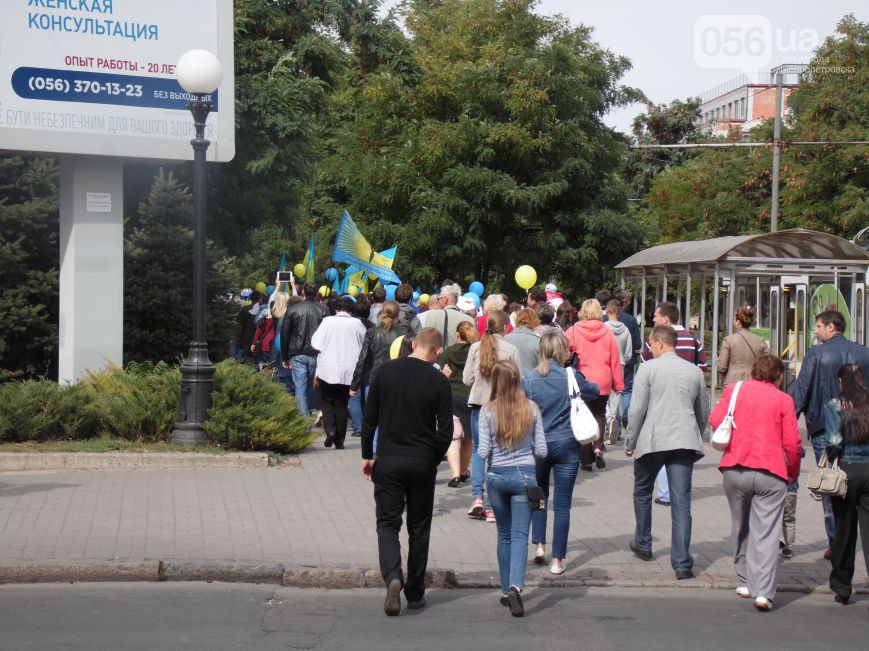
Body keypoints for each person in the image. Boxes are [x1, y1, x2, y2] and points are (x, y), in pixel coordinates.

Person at [361, 328, 453, 616]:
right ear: (437, 351)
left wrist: (368, 455)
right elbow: (446, 431)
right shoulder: (439, 380)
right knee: (419, 527)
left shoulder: (385, 373)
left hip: (388, 459)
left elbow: (369, 419)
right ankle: (414, 591)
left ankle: (393, 577)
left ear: (414, 344)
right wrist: (433, 458)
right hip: (422, 461)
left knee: (387, 524)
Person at [710, 354, 802, 612]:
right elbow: (793, 443)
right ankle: (763, 592)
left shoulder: (734, 390)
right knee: (767, 533)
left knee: (741, 525)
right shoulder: (784, 399)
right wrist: (792, 472)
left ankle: (744, 581)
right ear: (779, 376)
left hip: (735, 467)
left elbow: (716, 420)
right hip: (771, 472)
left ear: (754, 371)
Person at [625, 325, 709, 580]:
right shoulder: (694, 371)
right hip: (684, 441)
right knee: (681, 502)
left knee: (642, 490)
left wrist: (630, 439)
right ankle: (682, 563)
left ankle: (643, 542)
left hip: (653, 439)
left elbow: (637, 409)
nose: (649, 349)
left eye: (651, 344)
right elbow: (703, 410)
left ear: (660, 343)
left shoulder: (648, 369)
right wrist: (696, 431)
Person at [789, 309, 869, 558]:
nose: (815, 331)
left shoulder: (816, 354)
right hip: (861, 425)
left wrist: (788, 422)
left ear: (831, 327)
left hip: (825, 426)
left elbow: (801, 392)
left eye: (818, 326)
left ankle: (837, 544)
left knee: (831, 484)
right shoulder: (864, 352)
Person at [523, 332, 599, 574]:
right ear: (562, 352)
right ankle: (558, 560)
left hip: (538, 445)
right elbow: (594, 391)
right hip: (567, 443)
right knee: (563, 504)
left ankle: (539, 546)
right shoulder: (570, 376)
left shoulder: (529, 379)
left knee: (539, 497)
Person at [477, 360, 547, 617]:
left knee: (503, 535)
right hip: (525, 478)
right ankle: (516, 586)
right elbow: (542, 450)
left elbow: (483, 451)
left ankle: (505, 588)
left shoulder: (487, 411)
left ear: (494, 382)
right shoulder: (532, 408)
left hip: (496, 478)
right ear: (518, 380)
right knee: (520, 537)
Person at [641, 301, 708, 506]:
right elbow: (702, 368)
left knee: (661, 445)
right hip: (687, 400)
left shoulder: (654, 339)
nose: (653, 319)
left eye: (656, 315)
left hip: (660, 400)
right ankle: (678, 490)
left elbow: (645, 366)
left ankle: (665, 492)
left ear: (666, 319)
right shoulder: (694, 339)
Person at [464, 310, 520, 522]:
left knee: (479, 451)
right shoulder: (511, 349)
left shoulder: (476, 347)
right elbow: (518, 380)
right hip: (502, 407)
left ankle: (477, 497)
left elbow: (467, 379)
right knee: (497, 454)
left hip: (479, 405)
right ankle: (491, 506)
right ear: (505, 327)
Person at [825, 363, 869, 605]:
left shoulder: (836, 405)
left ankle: (842, 586)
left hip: (847, 471)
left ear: (841, 382)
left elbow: (833, 441)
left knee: (844, 529)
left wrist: (831, 456)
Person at [565, 299, 624, 470]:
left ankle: (585, 460)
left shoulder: (573, 330)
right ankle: (598, 447)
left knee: (583, 416)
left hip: (582, 380)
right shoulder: (607, 332)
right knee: (599, 415)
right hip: (603, 380)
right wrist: (618, 384)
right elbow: (615, 361)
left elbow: (563, 351)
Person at [310, 296, 367, 449]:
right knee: (342, 403)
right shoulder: (357, 324)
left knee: (327, 401)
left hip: (327, 368)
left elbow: (315, 342)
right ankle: (340, 440)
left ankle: (330, 431)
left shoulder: (327, 322)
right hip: (349, 369)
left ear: (336, 309)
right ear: (352, 310)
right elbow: (364, 344)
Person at [438, 321, 479, 487]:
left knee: (454, 437)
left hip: (452, 395)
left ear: (457, 334)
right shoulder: (476, 351)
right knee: (468, 438)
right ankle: (463, 471)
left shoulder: (448, 351)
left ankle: (454, 475)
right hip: (470, 396)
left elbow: (441, 371)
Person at [280, 283, 329, 420]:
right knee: (311, 387)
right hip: (316, 353)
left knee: (300, 388)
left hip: (299, 352)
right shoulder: (323, 309)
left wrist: (285, 357)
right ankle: (305, 417)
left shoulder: (293, 310)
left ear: (303, 292)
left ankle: (304, 419)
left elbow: (285, 335)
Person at [717, 305, 770, 386]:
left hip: (732, 383)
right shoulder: (760, 341)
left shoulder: (728, 340)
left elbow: (721, 367)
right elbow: (768, 363)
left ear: (738, 322)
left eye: (733, 319)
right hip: (754, 383)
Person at [348, 295, 376, 437]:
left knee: (354, 397)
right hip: (369, 365)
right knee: (366, 398)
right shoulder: (373, 327)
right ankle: (366, 426)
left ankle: (358, 427)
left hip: (353, 363)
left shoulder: (350, 325)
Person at [504, 308, 541, 376]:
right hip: (530, 382)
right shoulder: (538, 341)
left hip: (509, 381)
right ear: (535, 320)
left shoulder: (505, 338)